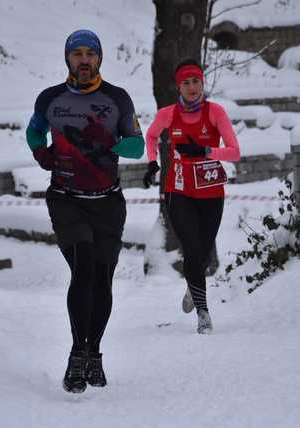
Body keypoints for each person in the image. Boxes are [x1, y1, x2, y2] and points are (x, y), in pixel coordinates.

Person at [26, 29, 144, 393]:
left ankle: (95, 353)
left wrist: (111, 142)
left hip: (107, 202)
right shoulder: (51, 98)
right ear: (67, 59)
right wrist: (40, 151)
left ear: (100, 58)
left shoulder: (117, 99)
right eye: (76, 53)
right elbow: (34, 132)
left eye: (90, 53)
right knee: (84, 265)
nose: (83, 60)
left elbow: (138, 146)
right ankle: (78, 354)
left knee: (102, 278)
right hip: (66, 199)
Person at [144, 59, 240, 335]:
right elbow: (151, 138)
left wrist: (207, 152)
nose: (191, 87)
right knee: (192, 248)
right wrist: (153, 163)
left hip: (211, 191)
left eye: (195, 81)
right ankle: (203, 312)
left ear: (202, 82)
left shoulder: (215, 113)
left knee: (202, 254)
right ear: (179, 86)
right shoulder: (168, 114)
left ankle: (192, 285)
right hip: (178, 190)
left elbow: (234, 151)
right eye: (185, 82)